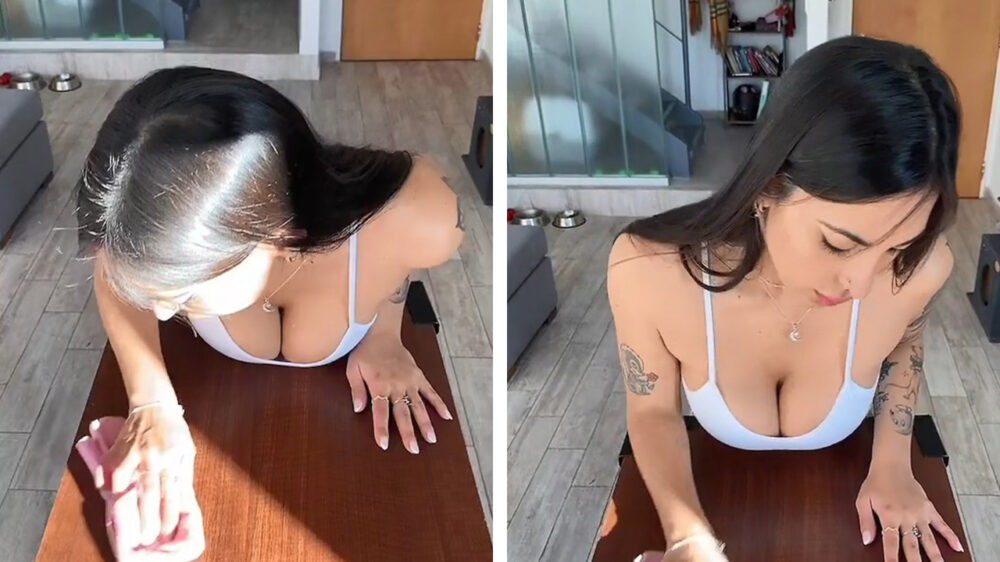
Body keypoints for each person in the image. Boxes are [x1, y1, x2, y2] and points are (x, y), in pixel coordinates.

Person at [76, 66, 465, 552]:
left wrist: (385, 334)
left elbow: (403, 243)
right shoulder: (136, 224)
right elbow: (112, 267)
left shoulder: (426, 218)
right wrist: (151, 401)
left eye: (185, 290)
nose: (158, 312)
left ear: (282, 236)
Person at [607, 36, 965, 562]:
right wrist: (688, 536)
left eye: (896, 248)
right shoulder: (647, 270)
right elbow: (653, 410)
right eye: (839, 244)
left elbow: (906, 335)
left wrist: (893, 463)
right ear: (768, 187)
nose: (862, 285)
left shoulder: (923, 269)